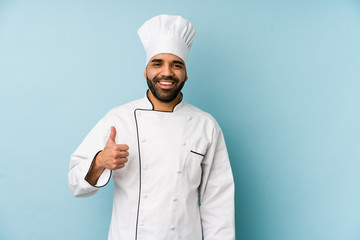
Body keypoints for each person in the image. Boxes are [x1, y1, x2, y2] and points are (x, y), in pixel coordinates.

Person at [68, 14, 235, 240]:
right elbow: (76, 185)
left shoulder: (206, 126)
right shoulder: (118, 119)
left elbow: (218, 203)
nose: (166, 72)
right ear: (145, 71)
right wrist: (100, 161)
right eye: (157, 63)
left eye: (176, 65)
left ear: (185, 75)